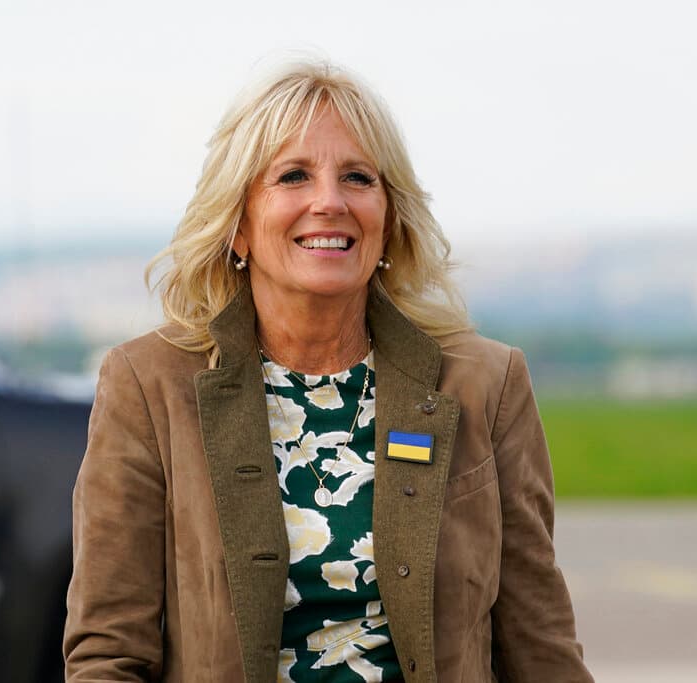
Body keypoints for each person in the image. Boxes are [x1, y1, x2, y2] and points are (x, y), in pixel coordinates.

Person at [64, 59, 593, 683]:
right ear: (238, 225)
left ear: (389, 215)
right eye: (293, 176)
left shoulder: (487, 384)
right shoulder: (147, 386)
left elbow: (541, 647)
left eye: (357, 178)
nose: (330, 202)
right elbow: (108, 656)